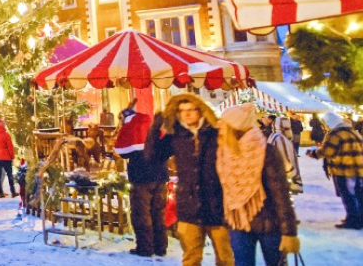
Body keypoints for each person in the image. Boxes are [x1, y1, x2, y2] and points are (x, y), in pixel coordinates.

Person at [144, 93, 233, 266]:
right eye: (182, 110)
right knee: (191, 257)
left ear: (201, 110)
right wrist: (155, 126)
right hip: (189, 207)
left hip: (217, 205)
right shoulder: (176, 136)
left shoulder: (216, 133)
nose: (187, 114)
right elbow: (152, 155)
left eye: (191, 109)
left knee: (225, 257)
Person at [217, 104, 300, 266]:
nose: (221, 128)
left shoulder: (265, 151)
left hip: (269, 223)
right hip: (238, 222)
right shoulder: (224, 151)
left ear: (235, 127)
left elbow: (280, 193)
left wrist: (289, 232)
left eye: (224, 124)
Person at [115, 100, 169, 258]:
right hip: (160, 175)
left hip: (141, 177)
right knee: (158, 212)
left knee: (141, 213)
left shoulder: (130, 127)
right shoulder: (153, 125)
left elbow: (121, 151)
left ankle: (145, 247)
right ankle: (161, 247)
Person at [308, 112, 363, 229]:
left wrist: (313, 153)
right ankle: (359, 218)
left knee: (348, 195)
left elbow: (327, 151)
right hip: (359, 169)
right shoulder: (353, 132)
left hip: (343, 170)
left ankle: (353, 220)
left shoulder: (335, 134)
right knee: (359, 194)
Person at [266, 116, 303, 194]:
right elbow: (285, 160)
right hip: (283, 177)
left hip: (276, 176)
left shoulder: (273, 136)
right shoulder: (281, 139)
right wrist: (292, 174)